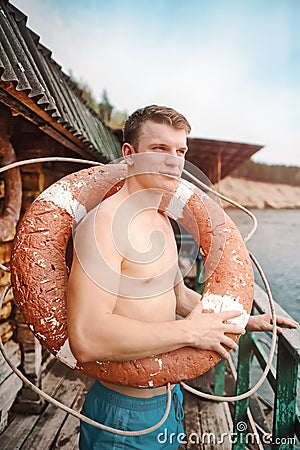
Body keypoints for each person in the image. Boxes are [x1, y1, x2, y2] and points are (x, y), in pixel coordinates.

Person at [67, 105, 298, 450]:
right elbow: (86, 340)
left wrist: (245, 321)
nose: (174, 161)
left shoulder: (160, 219)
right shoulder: (105, 224)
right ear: (129, 154)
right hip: (123, 416)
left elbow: (178, 297)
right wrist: (190, 331)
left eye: (180, 151)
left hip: (168, 400)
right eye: (160, 149)